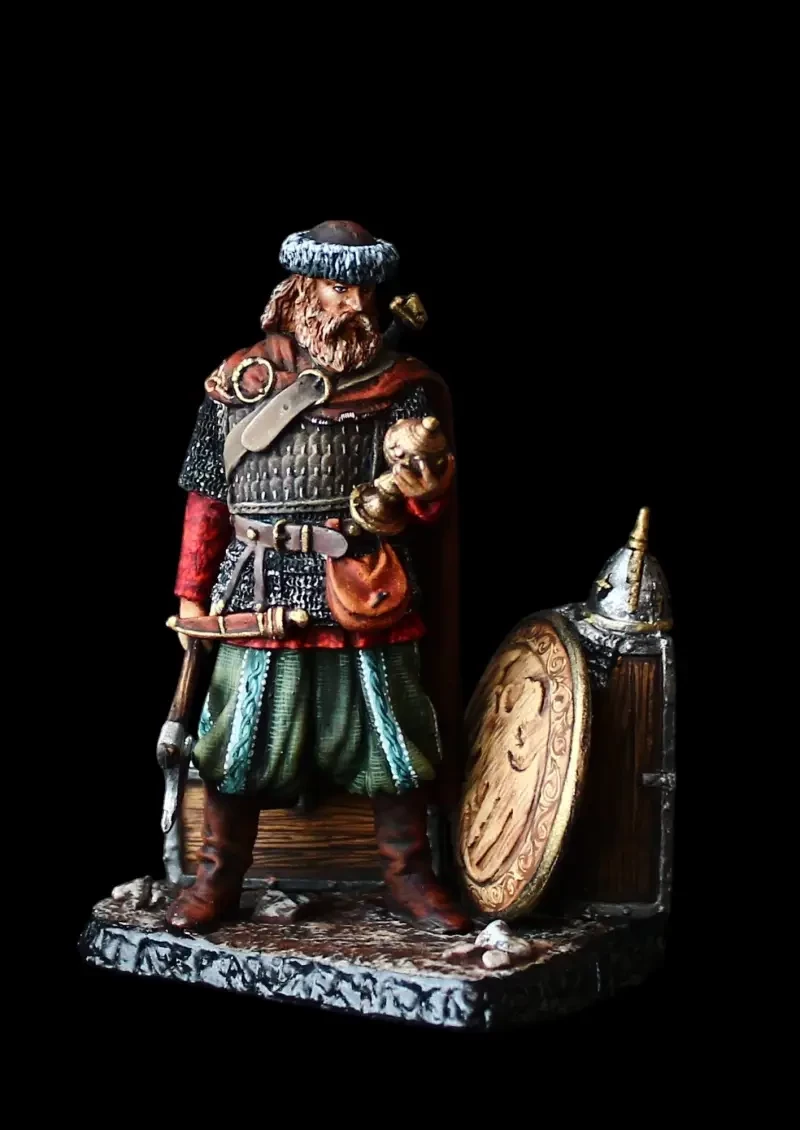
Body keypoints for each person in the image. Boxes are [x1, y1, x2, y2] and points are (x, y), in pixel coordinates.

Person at [165, 220, 470, 935]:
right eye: (339, 287)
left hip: (366, 578)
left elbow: (428, 512)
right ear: (302, 291)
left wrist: (425, 485)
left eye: (366, 289)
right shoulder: (241, 381)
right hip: (258, 580)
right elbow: (207, 496)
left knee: (393, 731)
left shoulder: (403, 388)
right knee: (238, 736)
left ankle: (408, 874)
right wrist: (190, 590)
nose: (355, 304)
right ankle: (218, 878)